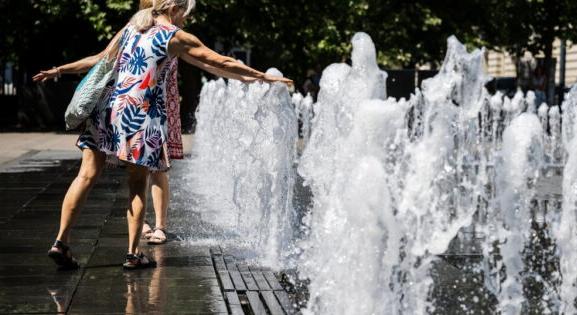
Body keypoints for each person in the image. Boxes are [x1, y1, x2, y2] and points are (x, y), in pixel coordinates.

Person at [33, 0, 292, 270]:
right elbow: (220, 61)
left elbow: (100, 60)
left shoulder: (133, 26)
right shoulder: (174, 36)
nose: (187, 20)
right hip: (139, 115)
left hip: (106, 110)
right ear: (176, 9)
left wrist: (61, 70)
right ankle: (133, 255)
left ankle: (60, 242)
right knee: (136, 183)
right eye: (186, 14)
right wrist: (264, 77)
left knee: (85, 175)